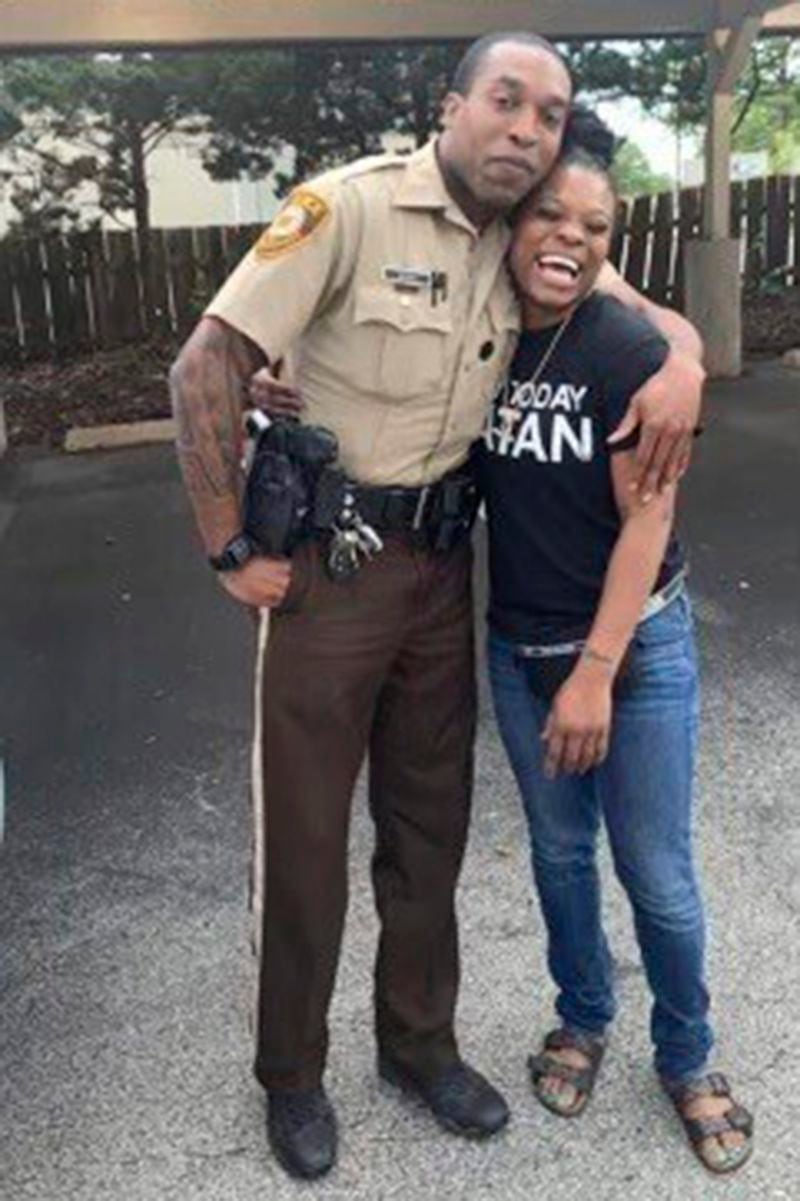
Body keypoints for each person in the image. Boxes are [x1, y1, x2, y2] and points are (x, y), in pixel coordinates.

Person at [170, 32, 704, 1181]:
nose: (525, 128)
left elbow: (650, 322)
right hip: (328, 567)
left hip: (442, 571)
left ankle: (417, 1044)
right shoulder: (346, 210)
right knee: (305, 836)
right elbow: (205, 363)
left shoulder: (527, 235)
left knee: (429, 828)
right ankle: (294, 1076)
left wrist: (688, 364)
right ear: (452, 106)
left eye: (548, 113)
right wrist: (224, 545)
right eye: (505, 102)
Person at [478, 135, 753, 1175]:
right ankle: (582, 1015)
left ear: (611, 246)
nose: (571, 239)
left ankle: (684, 1054)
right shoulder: (481, 333)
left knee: (656, 873)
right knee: (556, 855)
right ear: (511, 221)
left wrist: (593, 672)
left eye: (594, 227)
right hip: (517, 648)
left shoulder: (624, 350)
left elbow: (644, 524)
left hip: (630, 648)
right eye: (551, 215)